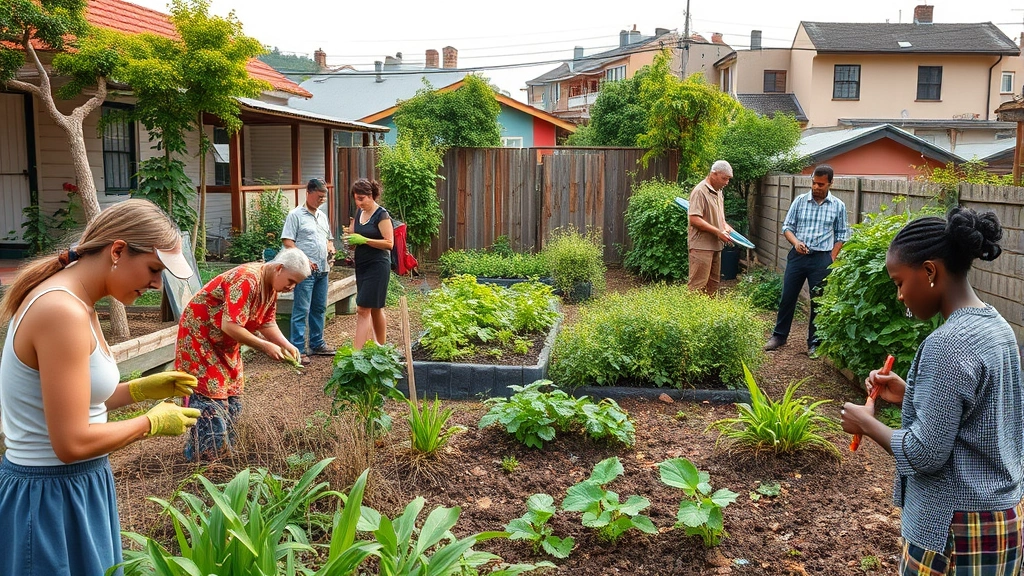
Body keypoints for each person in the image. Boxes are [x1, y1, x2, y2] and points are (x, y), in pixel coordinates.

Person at [0, 199, 201, 576]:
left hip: (76, 485)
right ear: (118, 250)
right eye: (154, 269)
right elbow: (71, 442)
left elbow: (78, 400)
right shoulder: (62, 312)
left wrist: (140, 389)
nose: (158, 283)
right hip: (48, 497)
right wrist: (150, 423)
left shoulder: (81, 304)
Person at [841, 207, 1023, 575]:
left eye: (899, 283)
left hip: (952, 530)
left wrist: (866, 423)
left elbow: (925, 453)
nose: (899, 296)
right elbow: (980, 418)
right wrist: (911, 395)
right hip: (1002, 521)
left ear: (929, 272)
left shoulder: (947, 344)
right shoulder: (998, 327)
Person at [175, 248, 310, 462]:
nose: (291, 287)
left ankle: (222, 451)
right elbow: (229, 325)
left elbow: (266, 321)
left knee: (232, 392)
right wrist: (265, 346)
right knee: (210, 394)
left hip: (225, 342)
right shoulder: (247, 279)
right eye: (291, 281)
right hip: (201, 337)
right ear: (279, 268)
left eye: (296, 284)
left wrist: (287, 345)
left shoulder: (271, 287)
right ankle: (205, 458)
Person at [764, 164, 850, 357]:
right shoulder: (800, 201)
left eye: (821, 184)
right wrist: (795, 243)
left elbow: (842, 234)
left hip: (822, 258)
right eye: (814, 183)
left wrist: (831, 257)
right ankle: (779, 336)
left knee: (818, 302)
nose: (816, 187)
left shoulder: (838, 206)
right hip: (798, 256)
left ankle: (815, 343)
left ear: (830, 184)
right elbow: (787, 227)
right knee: (788, 296)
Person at [282, 177, 337, 363]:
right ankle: (297, 349)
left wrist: (331, 248)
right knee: (301, 310)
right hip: (304, 272)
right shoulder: (295, 215)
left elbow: (328, 239)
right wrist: (304, 259)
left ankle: (317, 343)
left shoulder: (322, 216)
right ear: (309, 193)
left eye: (324, 197)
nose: (322, 200)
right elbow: (288, 242)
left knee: (319, 308)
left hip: (323, 269)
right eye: (319, 196)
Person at [344, 178, 394, 349]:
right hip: (362, 266)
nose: (358, 203)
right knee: (375, 308)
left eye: (361, 199)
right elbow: (354, 240)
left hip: (378, 265)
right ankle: (380, 347)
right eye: (356, 199)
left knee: (363, 309)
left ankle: (356, 354)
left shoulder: (381, 214)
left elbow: (389, 243)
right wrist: (351, 237)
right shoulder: (359, 213)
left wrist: (364, 240)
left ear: (371, 195)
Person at [687, 160, 735, 295]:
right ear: (713, 174)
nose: (727, 183)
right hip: (701, 246)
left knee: (712, 286)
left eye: (728, 179)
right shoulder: (700, 191)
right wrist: (718, 232)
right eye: (724, 178)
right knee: (697, 286)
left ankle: (708, 315)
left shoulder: (719, 192)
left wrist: (725, 227)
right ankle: (692, 315)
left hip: (716, 245)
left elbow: (720, 218)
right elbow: (694, 218)